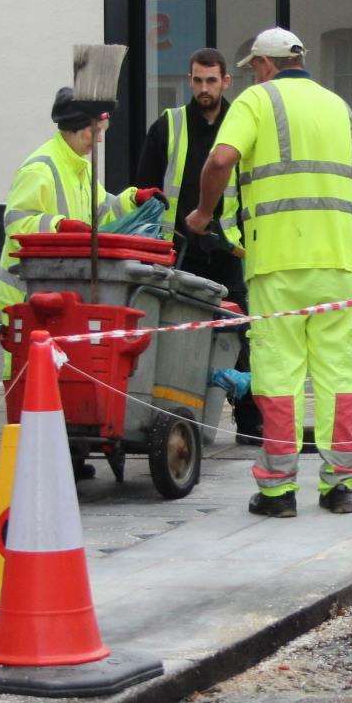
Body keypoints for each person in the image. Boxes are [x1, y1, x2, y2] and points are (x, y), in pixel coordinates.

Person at [189, 28, 352, 517]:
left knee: (279, 372)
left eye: (252, 69)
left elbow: (221, 159)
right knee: (335, 372)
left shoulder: (256, 102)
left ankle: (278, 489)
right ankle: (339, 486)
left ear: (265, 65)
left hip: (277, 266)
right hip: (337, 262)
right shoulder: (341, 108)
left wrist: (203, 214)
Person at [133, 47, 262, 445]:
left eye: (211, 80)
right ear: (190, 81)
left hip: (227, 252)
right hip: (177, 253)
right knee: (173, 337)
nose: (204, 88)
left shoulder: (242, 125)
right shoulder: (168, 126)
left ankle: (251, 422)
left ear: (226, 81)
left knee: (241, 337)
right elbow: (145, 192)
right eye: (197, 80)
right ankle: (171, 418)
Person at [0, 88, 159, 372]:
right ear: (76, 128)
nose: (99, 139)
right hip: (24, 294)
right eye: (95, 132)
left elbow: (103, 211)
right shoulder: (40, 168)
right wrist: (59, 226)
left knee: (57, 376)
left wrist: (133, 199)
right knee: (27, 374)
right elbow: (16, 221)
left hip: (54, 289)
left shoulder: (79, 168)